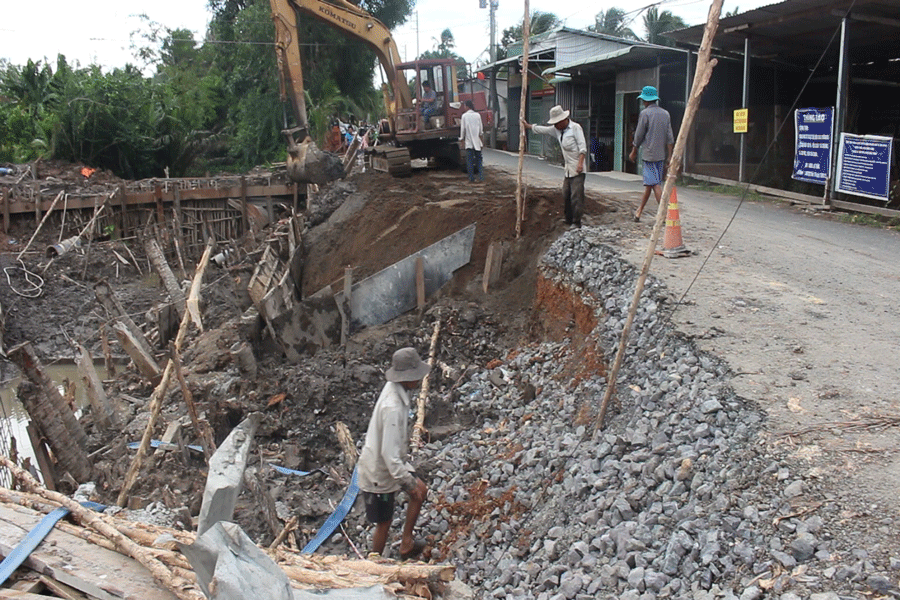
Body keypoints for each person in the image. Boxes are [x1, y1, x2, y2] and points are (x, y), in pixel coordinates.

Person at [357, 347, 430, 560]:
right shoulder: (392, 407)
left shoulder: (396, 390)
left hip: (392, 463)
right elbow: (389, 456)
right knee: (384, 523)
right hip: (379, 473)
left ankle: (406, 543)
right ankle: (373, 563)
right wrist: (407, 482)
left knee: (421, 490)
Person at [521, 105, 587, 227]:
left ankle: (576, 222)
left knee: (576, 195)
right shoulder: (557, 130)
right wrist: (528, 126)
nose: (555, 126)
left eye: (557, 123)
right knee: (566, 193)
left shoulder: (575, 128)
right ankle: (568, 219)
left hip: (578, 168)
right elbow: (543, 130)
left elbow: (582, 148)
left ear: (563, 120)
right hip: (568, 169)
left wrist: (580, 164)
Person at [628, 86, 674, 222]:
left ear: (645, 101)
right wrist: (670, 156)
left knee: (655, 184)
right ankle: (639, 212)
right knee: (650, 184)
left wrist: (634, 151)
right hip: (660, 155)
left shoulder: (645, 114)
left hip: (649, 155)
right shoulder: (665, 114)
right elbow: (670, 137)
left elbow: (639, 135)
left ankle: (664, 214)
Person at [459, 100, 484, 182]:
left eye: (464, 106)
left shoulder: (464, 116)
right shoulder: (478, 115)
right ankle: (481, 177)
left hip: (469, 143)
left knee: (469, 161)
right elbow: (481, 131)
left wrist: (461, 140)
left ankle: (471, 178)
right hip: (477, 142)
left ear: (467, 106)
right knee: (479, 161)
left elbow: (463, 130)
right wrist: (482, 142)